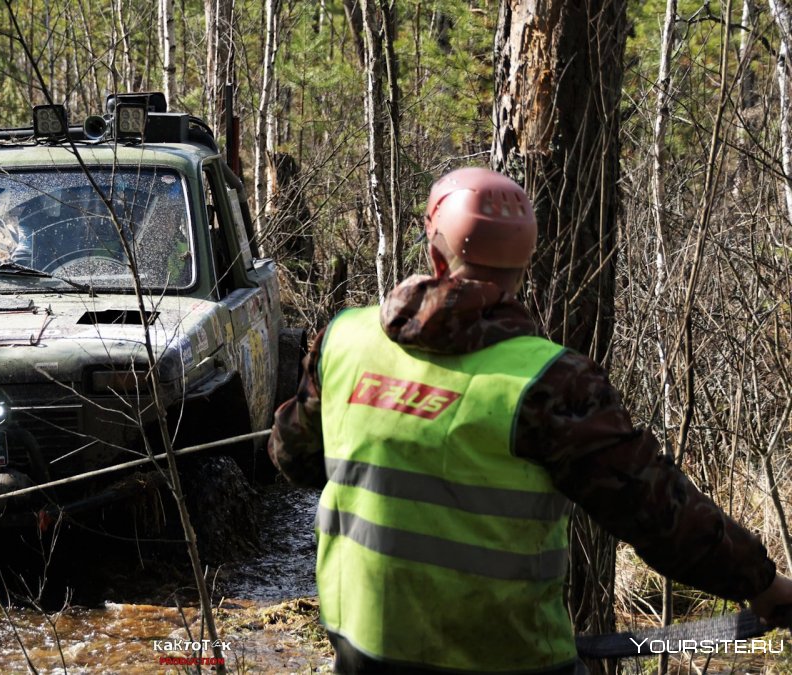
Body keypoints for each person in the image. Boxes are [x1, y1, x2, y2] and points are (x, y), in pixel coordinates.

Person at [268, 167, 792, 674]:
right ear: (524, 268)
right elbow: (659, 515)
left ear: (433, 253)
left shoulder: (346, 339)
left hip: (362, 652)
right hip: (506, 660)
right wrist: (763, 584)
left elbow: (292, 456)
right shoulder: (553, 382)